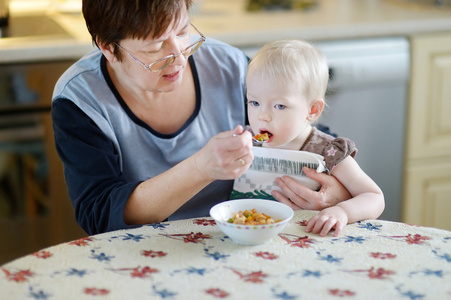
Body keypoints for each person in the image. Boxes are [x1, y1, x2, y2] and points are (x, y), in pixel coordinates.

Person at [51, 0, 349, 235]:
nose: (180, 57)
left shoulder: (227, 66)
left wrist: (332, 190)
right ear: (108, 48)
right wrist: (200, 168)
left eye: (182, 32)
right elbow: (99, 213)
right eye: (156, 47)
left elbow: (307, 134)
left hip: (245, 235)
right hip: (144, 255)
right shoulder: (80, 100)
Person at [244, 40, 385, 237]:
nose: (262, 116)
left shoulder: (328, 152)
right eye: (255, 102)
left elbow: (374, 196)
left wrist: (341, 211)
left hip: (309, 240)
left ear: (312, 110)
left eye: (279, 106)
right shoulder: (246, 141)